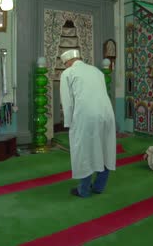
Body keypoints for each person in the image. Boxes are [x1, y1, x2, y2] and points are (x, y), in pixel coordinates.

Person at [59, 49, 116, 198]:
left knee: (85, 151)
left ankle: (83, 190)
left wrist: (69, 123)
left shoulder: (68, 73)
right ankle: (99, 187)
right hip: (107, 113)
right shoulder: (97, 71)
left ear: (67, 62)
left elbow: (67, 102)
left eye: (64, 64)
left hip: (86, 116)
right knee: (105, 149)